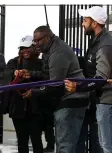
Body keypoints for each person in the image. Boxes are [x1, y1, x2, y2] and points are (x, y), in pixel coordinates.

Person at [64, 6, 112, 153]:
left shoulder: (105, 45)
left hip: (109, 101)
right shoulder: (98, 41)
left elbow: (100, 79)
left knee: (109, 145)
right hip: (102, 100)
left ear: (94, 23)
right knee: (106, 144)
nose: (82, 24)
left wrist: (78, 87)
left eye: (85, 20)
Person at [23, 25, 89, 153]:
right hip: (72, 99)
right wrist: (31, 74)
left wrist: (34, 92)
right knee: (74, 144)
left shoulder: (57, 52)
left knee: (64, 146)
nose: (35, 44)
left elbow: (55, 84)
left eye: (38, 40)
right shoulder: (51, 49)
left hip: (71, 100)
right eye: (34, 41)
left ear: (47, 37)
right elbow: (49, 74)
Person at [4, 35, 45, 153]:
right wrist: (14, 73)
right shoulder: (13, 62)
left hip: (35, 109)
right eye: (22, 48)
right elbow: (5, 74)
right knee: (22, 140)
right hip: (18, 108)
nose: (24, 50)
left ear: (33, 47)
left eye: (27, 47)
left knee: (36, 139)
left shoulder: (40, 63)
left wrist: (31, 74)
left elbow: (45, 76)